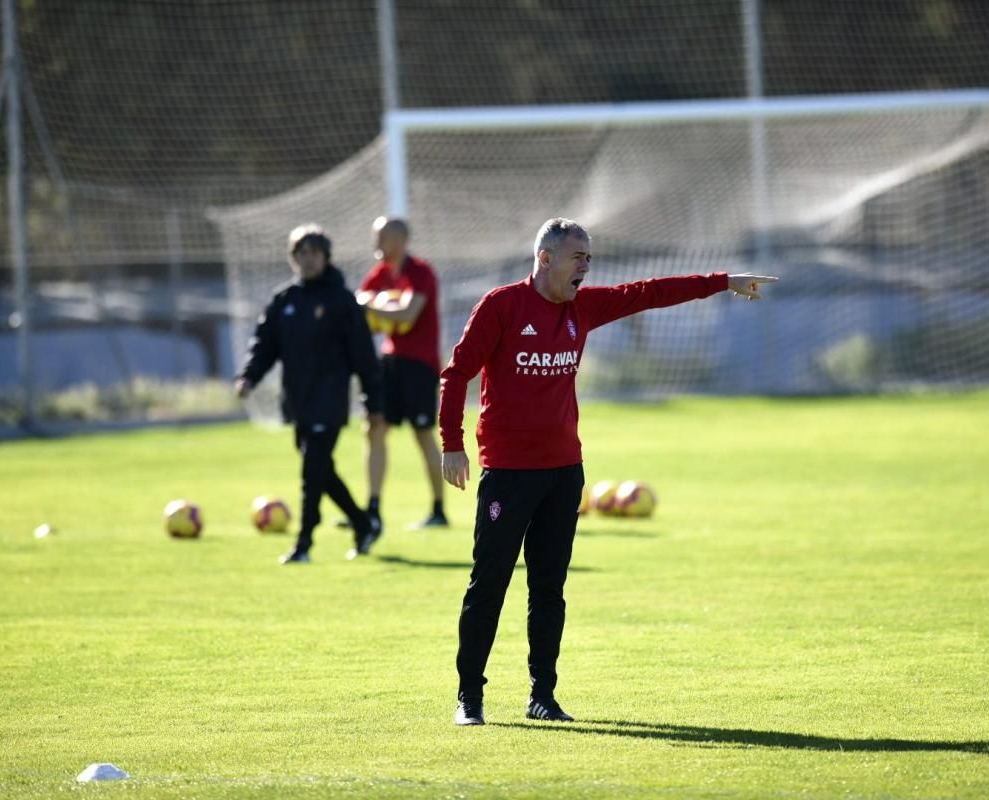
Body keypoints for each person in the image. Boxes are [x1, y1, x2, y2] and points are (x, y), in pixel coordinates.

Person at [439, 218, 777, 726]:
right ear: (546, 259)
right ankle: (470, 697)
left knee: (549, 589)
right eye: (578, 258)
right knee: (489, 585)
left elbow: (647, 294)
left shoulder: (583, 308)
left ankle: (542, 696)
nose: (587, 268)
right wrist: (452, 446)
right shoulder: (501, 306)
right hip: (508, 473)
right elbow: (456, 373)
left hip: (564, 473)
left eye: (589, 259)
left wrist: (722, 282)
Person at [235, 224, 386, 563]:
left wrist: (373, 402)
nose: (308, 259)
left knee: (311, 472)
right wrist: (249, 377)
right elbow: (264, 345)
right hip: (298, 400)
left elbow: (364, 356)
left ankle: (304, 543)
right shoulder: (284, 301)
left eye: (314, 253)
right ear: (293, 258)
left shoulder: (342, 301)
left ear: (326, 257)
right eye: (301, 253)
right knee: (319, 470)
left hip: (330, 400)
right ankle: (364, 524)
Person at [354, 216, 447, 532]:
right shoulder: (379, 274)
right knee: (374, 427)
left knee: (423, 434)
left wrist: (370, 308)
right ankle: (373, 508)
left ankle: (438, 510)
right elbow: (357, 303)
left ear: (400, 241)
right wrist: (370, 306)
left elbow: (408, 313)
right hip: (390, 362)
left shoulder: (421, 272)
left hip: (420, 365)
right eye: (375, 237)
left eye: (382, 238)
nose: (376, 244)